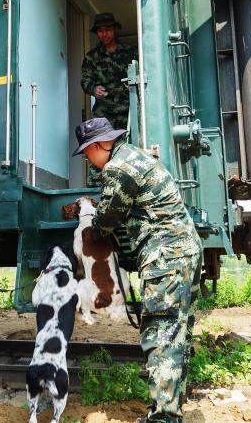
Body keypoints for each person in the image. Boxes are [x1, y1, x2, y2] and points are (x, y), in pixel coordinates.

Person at [72, 117, 202, 423]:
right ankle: (170, 411)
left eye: (88, 153)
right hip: (183, 251)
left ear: (99, 145)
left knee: (161, 332)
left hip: (166, 254)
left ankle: (164, 418)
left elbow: (105, 221)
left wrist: (91, 228)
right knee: (176, 333)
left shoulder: (119, 168)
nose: (88, 161)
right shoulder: (135, 155)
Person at [80, 13, 137, 187]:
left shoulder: (130, 52)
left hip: (128, 109)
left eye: (108, 30)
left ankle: (128, 184)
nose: (104, 34)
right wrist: (93, 89)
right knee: (99, 148)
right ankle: (97, 187)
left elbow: (141, 74)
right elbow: (85, 80)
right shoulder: (92, 57)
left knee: (129, 147)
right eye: (100, 31)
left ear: (115, 30)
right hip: (104, 111)